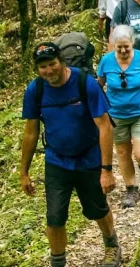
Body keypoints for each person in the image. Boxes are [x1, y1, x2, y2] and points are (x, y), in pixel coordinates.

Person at [19, 43, 123, 267]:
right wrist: (24, 172)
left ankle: (111, 244)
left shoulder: (85, 83)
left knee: (97, 208)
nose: (49, 70)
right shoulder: (35, 90)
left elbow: (105, 127)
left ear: (62, 61)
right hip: (56, 161)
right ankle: (57, 262)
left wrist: (107, 170)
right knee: (55, 216)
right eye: (43, 66)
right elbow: (31, 132)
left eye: (52, 64)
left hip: (89, 158)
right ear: (37, 69)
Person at [96, 25, 140, 208]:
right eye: (119, 47)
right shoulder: (106, 61)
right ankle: (131, 188)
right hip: (116, 115)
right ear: (113, 45)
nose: (122, 50)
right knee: (122, 152)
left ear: (132, 43)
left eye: (126, 46)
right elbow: (98, 86)